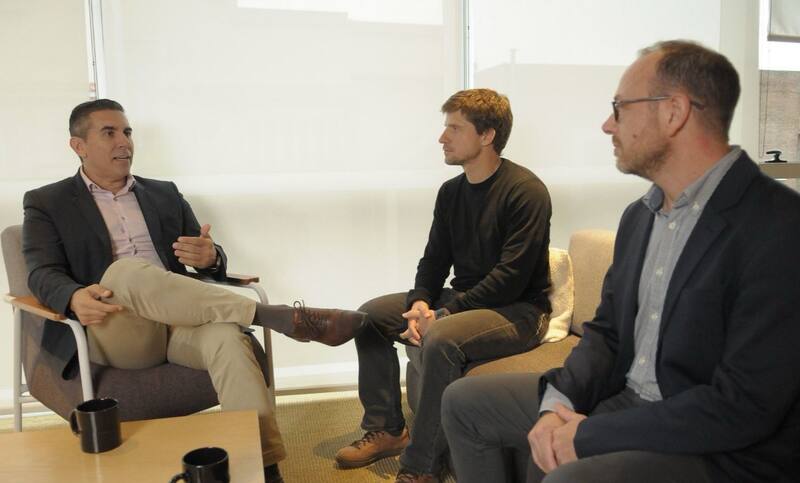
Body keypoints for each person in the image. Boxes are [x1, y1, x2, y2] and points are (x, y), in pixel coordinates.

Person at [441, 40, 800, 483]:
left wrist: (590, 433)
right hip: (625, 397)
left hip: (719, 445)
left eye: (620, 108)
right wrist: (558, 403)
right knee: (464, 402)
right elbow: (607, 334)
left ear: (674, 112)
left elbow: (742, 406)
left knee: (566, 476)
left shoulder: (779, 225)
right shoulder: (639, 216)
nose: (607, 125)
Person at [22, 99, 366, 483]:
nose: (125, 142)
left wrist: (209, 257)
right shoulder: (47, 202)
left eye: (128, 132)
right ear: (78, 145)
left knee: (228, 339)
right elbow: (41, 272)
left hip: (177, 323)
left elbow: (204, 259)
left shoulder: (163, 194)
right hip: (115, 326)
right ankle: (281, 318)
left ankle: (261, 468)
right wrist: (71, 296)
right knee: (124, 272)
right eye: (109, 133)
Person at [334, 88, 553, 483]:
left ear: (487, 135)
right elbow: (434, 260)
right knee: (369, 315)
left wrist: (445, 314)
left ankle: (421, 469)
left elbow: (511, 278)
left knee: (442, 338)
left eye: (454, 127)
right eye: (445, 127)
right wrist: (420, 302)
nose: (442, 137)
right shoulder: (451, 192)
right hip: (468, 301)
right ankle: (387, 429)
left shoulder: (526, 191)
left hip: (519, 310)